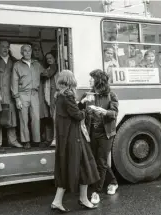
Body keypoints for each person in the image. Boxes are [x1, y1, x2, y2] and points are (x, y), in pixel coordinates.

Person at [51, 70, 100, 212]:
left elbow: (70, 111)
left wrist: (81, 103)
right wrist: (88, 110)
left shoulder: (59, 95)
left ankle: (57, 201)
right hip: (74, 138)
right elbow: (77, 116)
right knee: (85, 167)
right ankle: (83, 199)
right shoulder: (68, 95)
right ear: (71, 80)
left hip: (66, 137)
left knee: (66, 169)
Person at [79, 69, 119, 204]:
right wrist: (82, 102)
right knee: (97, 160)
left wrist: (104, 112)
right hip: (91, 133)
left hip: (106, 133)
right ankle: (113, 182)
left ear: (99, 80)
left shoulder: (111, 95)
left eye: (92, 78)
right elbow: (78, 109)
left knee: (101, 162)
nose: (90, 80)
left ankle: (96, 192)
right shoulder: (88, 94)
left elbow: (114, 113)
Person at [11, 44, 48, 149]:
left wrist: (54, 65)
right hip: (22, 94)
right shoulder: (17, 65)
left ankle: (36, 140)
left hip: (34, 94)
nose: (27, 53)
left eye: (29, 51)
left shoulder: (37, 64)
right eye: (25, 51)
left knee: (36, 118)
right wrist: (17, 98)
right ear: (21, 53)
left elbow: (46, 73)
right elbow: (14, 82)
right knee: (24, 119)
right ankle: (26, 141)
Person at [0, 40, 22, 148]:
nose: (5, 49)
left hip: (11, 93)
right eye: (3, 46)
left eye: (7, 47)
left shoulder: (14, 61)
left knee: (12, 118)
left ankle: (13, 140)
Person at [41, 52, 58, 146]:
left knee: (54, 118)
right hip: (48, 96)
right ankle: (49, 138)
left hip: (54, 96)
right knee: (49, 118)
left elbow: (47, 74)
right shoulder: (49, 68)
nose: (49, 60)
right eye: (47, 59)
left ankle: (54, 139)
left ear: (55, 58)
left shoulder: (55, 67)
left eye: (50, 58)